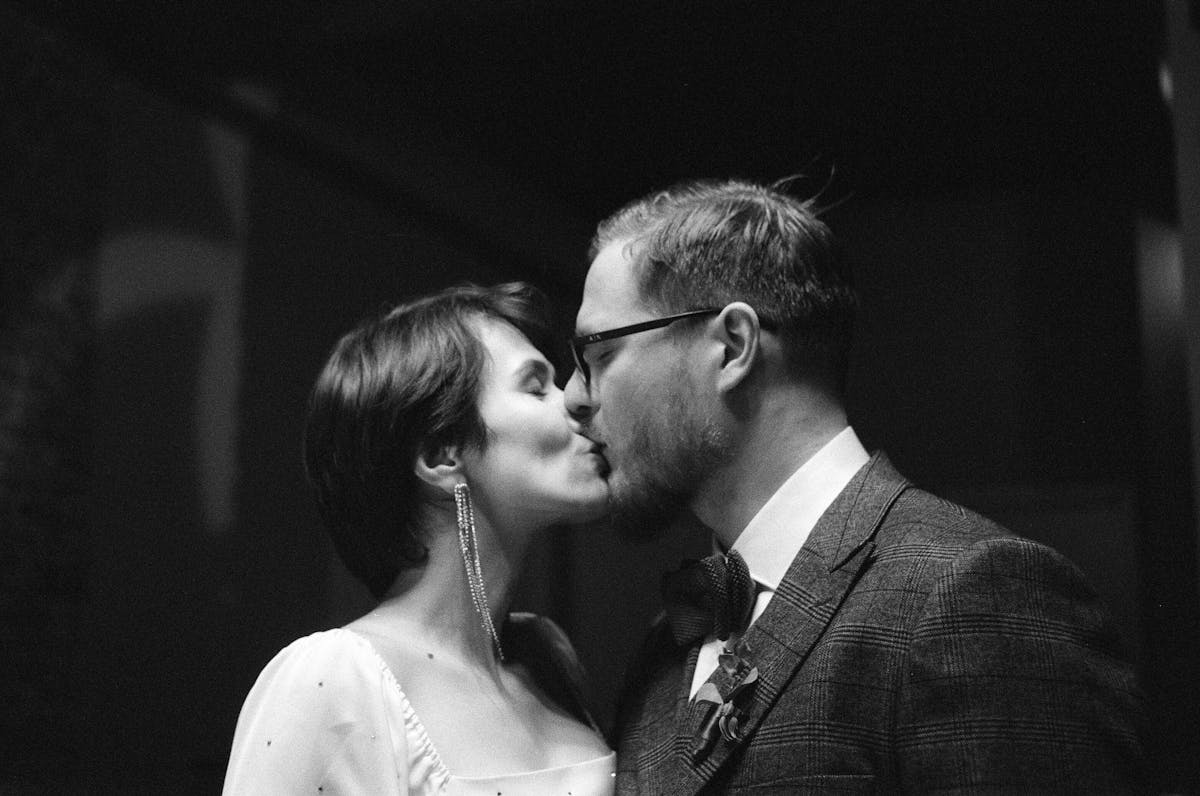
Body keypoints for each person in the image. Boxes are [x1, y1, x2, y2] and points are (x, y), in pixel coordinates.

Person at [563, 179, 1147, 793]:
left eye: (598, 353)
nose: (575, 398)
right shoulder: (667, 641)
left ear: (732, 347)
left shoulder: (975, 595)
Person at [224, 283, 616, 794]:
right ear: (441, 456)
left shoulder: (547, 657)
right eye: (537, 387)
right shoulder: (332, 676)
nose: (578, 402)